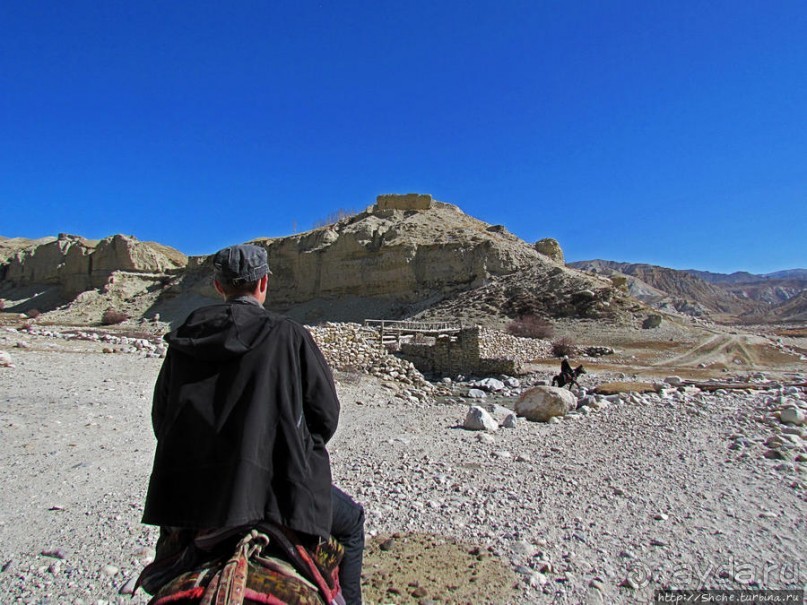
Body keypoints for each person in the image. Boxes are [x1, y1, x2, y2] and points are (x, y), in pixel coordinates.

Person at [142, 243, 364, 604]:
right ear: (263, 283)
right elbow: (325, 416)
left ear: (218, 287)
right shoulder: (289, 335)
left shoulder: (184, 339)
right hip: (275, 491)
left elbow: (162, 419)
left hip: (191, 492)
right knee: (352, 523)